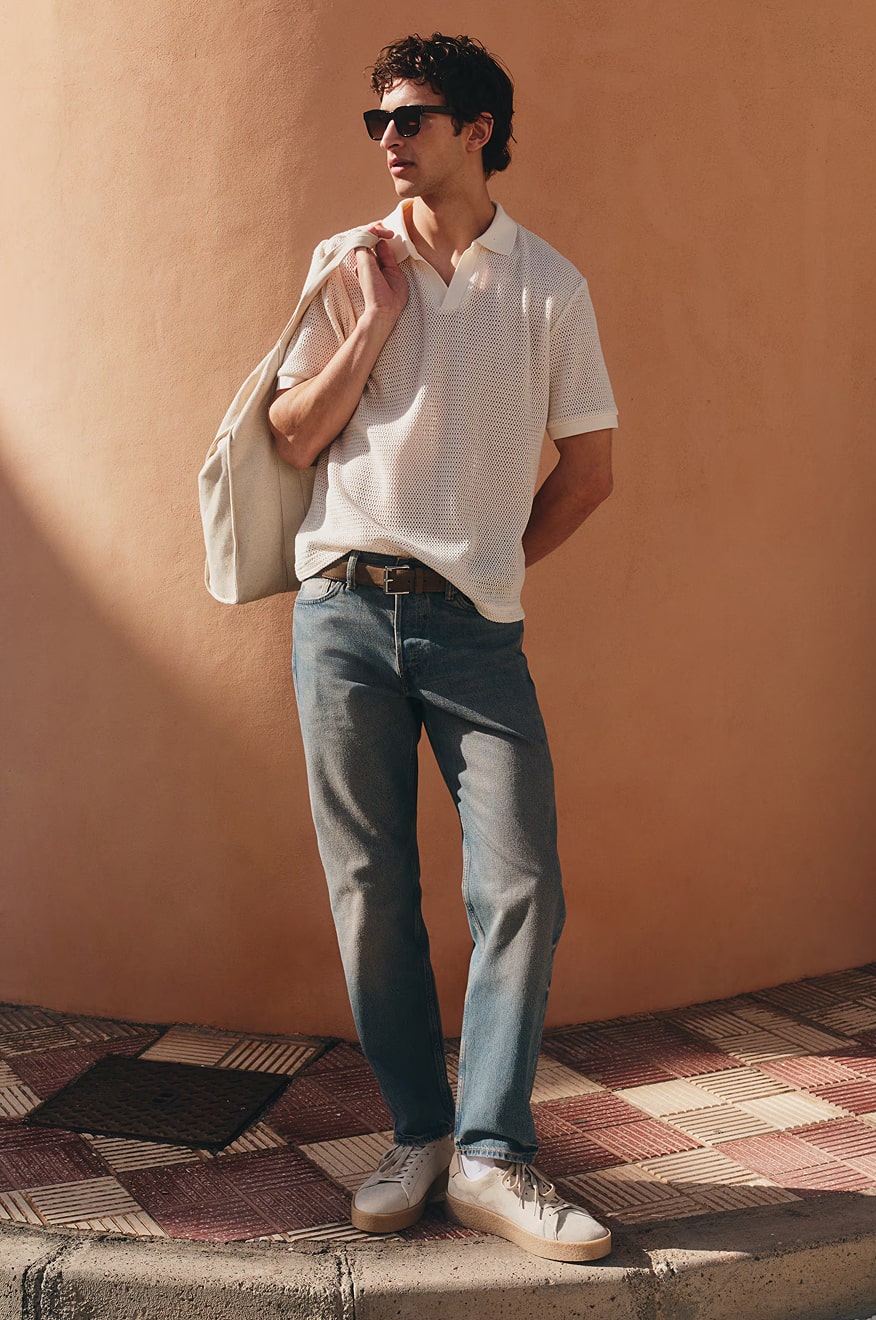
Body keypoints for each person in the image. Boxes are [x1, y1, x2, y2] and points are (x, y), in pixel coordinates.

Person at [268, 33, 618, 1263]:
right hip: (342, 613)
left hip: (476, 631)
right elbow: (291, 434)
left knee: (522, 885)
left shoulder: (550, 288)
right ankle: (419, 1132)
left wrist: (492, 566)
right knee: (371, 894)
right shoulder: (346, 262)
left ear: (477, 129)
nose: (387, 139)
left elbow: (591, 470)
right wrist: (371, 325)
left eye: (409, 116)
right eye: (376, 119)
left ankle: (491, 1155)